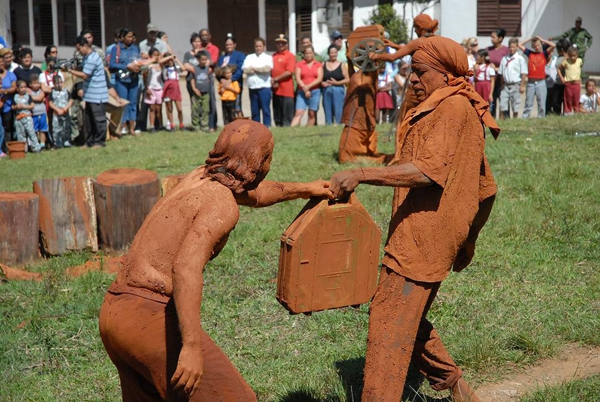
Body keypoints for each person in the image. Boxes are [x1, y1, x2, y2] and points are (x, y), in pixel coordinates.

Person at [99, 119, 332, 401]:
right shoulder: (221, 203)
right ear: (260, 163)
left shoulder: (199, 177)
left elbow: (254, 194)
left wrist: (308, 188)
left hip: (114, 314)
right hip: (147, 317)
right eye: (269, 156)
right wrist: (191, 347)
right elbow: (185, 268)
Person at [330, 35, 499, 402]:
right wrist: (469, 238)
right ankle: (456, 385)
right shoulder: (455, 107)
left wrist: (361, 174)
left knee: (389, 324)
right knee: (405, 316)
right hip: (434, 237)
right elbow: (487, 190)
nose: (413, 80)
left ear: (446, 73)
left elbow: (428, 171)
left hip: (422, 238)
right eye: (411, 72)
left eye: (421, 72)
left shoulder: (452, 109)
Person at [338, 49, 389, 164]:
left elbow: (360, 83)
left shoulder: (370, 76)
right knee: (345, 157)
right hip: (356, 121)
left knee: (346, 158)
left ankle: (382, 159)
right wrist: (350, 61)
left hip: (360, 123)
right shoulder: (359, 75)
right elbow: (353, 77)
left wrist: (373, 57)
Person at [67, 35, 109, 148]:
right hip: (89, 94)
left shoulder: (93, 58)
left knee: (99, 119)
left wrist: (69, 70)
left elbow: (85, 75)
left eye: (79, 48)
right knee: (88, 120)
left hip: (97, 94)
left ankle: (99, 141)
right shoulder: (86, 57)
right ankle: (89, 141)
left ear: (85, 45)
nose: (78, 51)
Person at [109, 28, 141, 135]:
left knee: (133, 103)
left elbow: (139, 60)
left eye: (132, 36)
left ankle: (132, 128)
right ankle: (122, 127)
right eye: (128, 36)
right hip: (122, 80)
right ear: (122, 38)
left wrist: (139, 67)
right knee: (123, 103)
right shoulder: (116, 49)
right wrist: (126, 66)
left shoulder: (135, 48)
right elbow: (112, 64)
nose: (131, 38)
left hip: (134, 79)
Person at [519, 36, 555, 118]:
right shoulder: (530, 53)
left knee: (541, 103)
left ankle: (541, 118)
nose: (537, 47)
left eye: (538, 45)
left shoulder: (544, 54)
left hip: (541, 82)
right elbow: (519, 45)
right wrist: (529, 39)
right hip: (531, 82)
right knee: (528, 102)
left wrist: (542, 40)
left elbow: (553, 45)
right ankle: (525, 117)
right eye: (535, 46)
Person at [242, 38, 273, 127]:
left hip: (264, 87)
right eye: (256, 46)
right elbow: (245, 69)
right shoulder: (249, 57)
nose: (258, 48)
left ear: (264, 47)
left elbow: (267, 69)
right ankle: (256, 128)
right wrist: (259, 69)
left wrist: (254, 68)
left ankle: (267, 126)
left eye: (260, 46)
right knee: (255, 110)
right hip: (252, 87)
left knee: (265, 109)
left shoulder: (268, 57)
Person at [291, 46, 323, 127]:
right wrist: (305, 89)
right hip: (302, 91)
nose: (308, 55)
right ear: (304, 54)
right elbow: (298, 78)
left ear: (313, 54)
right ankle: (291, 131)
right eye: (306, 53)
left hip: (315, 91)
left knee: (312, 113)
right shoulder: (299, 64)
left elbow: (319, 79)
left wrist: (308, 86)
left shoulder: (318, 64)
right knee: (298, 112)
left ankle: (307, 131)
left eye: (310, 53)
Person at [217, 33, 246, 117]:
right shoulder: (222, 57)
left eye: (230, 44)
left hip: (235, 85)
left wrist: (231, 79)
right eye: (227, 44)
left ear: (234, 45)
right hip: (224, 88)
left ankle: (241, 125)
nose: (228, 46)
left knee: (237, 107)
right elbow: (218, 70)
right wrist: (221, 80)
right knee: (227, 109)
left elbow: (240, 70)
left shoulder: (240, 55)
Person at [498, 38, 527, 119]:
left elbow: (524, 73)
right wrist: (502, 84)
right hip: (506, 84)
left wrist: (522, 86)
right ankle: (502, 120)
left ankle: (515, 120)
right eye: (510, 47)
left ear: (517, 47)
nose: (511, 49)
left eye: (513, 47)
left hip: (516, 84)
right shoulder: (504, 58)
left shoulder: (520, 59)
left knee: (515, 104)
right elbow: (502, 73)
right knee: (503, 104)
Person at [270, 34, 296, 127]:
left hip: (286, 89)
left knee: (287, 113)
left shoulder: (290, 56)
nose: (280, 45)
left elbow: (289, 71)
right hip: (276, 89)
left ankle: (287, 127)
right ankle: (278, 126)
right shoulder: (273, 56)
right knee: (277, 112)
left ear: (286, 44)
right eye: (278, 43)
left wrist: (276, 79)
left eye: (283, 43)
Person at [321, 44, 349, 125]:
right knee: (327, 110)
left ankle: (339, 124)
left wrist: (336, 83)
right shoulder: (324, 64)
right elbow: (320, 78)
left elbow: (347, 79)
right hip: (327, 90)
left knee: (338, 110)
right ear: (328, 54)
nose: (333, 54)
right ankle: (328, 125)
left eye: (335, 53)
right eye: (331, 53)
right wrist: (323, 83)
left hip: (338, 90)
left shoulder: (342, 65)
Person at [198, 29, 220, 132]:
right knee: (199, 102)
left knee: (211, 101)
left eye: (206, 35)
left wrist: (203, 63)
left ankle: (212, 125)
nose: (204, 37)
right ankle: (201, 124)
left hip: (209, 77)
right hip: (198, 77)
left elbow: (213, 61)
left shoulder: (214, 48)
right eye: (202, 35)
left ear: (210, 36)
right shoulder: (198, 48)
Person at [12, 80, 42, 153]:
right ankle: (23, 149)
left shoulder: (28, 96)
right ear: (18, 89)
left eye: (25, 87)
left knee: (31, 133)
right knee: (21, 134)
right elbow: (12, 107)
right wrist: (17, 107)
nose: (23, 89)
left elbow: (32, 106)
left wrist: (24, 106)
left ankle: (36, 148)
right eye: (21, 87)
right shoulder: (15, 97)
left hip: (27, 117)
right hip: (19, 118)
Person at [143, 47, 166, 133]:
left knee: (158, 108)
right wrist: (147, 88)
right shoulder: (148, 66)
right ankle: (152, 126)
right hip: (151, 88)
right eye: (154, 55)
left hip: (159, 88)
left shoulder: (161, 65)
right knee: (152, 108)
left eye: (157, 55)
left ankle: (160, 125)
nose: (156, 57)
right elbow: (144, 77)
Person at [183, 33, 204, 126]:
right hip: (190, 80)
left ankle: (203, 122)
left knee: (203, 102)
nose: (197, 43)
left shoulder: (204, 52)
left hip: (203, 81)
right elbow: (185, 65)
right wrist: (195, 68)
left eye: (198, 41)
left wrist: (195, 68)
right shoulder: (188, 54)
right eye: (195, 41)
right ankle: (195, 123)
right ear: (192, 43)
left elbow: (207, 63)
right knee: (193, 101)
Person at [488, 28, 509, 117]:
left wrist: (497, 69)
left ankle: (505, 118)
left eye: (493, 37)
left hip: (501, 82)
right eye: (491, 37)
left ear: (500, 38)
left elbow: (508, 64)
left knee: (503, 101)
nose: (491, 39)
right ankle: (492, 118)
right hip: (491, 82)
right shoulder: (488, 50)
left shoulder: (506, 50)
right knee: (492, 101)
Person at [48, 75, 73, 148]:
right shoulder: (52, 92)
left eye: (61, 82)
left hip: (65, 113)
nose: (59, 84)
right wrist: (57, 109)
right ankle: (57, 143)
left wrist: (67, 107)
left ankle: (67, 142)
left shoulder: (66, 91)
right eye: (57, 83)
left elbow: (71, 100)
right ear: (54, 84)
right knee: (57, 129)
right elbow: (50, 103)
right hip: (57, 114)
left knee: (66, 128)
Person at [161, 53, 184, 131]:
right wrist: (169, 57)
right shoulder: (164, 68)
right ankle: (172, 124)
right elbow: (160, 62)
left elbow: (183, 68)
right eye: (168, 60)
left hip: (176, 88)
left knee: (179, 108)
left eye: (171, 60)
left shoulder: (176, 68)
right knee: (169, 108)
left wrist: (176, 59)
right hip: (168, 88)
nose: (170, 61)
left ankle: (181, 124)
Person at [558, 46, 583, 115]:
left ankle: (576, 111)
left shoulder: (579, 61)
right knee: (568, 99)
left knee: (576, 98)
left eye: (574, 56)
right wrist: (562, 78)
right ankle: (568, 111)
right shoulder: (566, 62)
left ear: (577, 55)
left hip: (576, 83)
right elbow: (558, 69)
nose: (572, 58)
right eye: (571, 56)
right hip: (568, 84)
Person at [546, 39, 569, 115]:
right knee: (556, 102)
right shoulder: (558, 58)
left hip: (566, 83)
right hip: (558, 83)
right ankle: (557, 114)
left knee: (566, 101)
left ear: (561, 50)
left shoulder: (570, 58)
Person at [191, 51, 211, 132]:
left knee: (205, 109)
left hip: (205, 93)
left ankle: (204, 125)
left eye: (205, 60)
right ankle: (196, 126)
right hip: (196, 93)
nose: (204, 61)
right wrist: (194, 89)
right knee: (195, 109)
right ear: (198, 60)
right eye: (202, 60)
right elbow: (192, 80)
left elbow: (209, 79)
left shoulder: (208, 69)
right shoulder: (194, 69)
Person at [0, 54, 17, 146]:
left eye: (2, 62)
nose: (1, 64)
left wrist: (5, 91)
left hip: (7, 106)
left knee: (7, 127)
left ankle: (7, 146)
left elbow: (14, 88)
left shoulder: (11, 75)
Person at [29, 75, 49, 149]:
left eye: (38, 83)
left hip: (42, 113)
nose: (37, 85)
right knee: (34, 130)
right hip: (33, 114)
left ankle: (42, 144)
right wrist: (37, 99)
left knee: (42, 129)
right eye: (34, 83)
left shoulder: (42, 91)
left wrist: (31, 98)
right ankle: (35, 144)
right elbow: (39, 99)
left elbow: (39, 98)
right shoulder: (29, 92)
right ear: (30, 84)